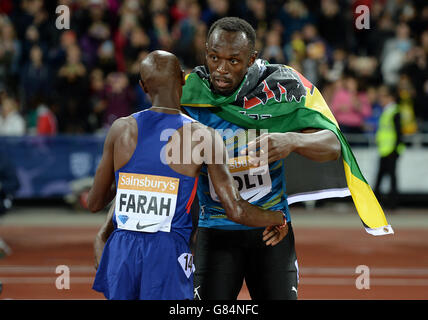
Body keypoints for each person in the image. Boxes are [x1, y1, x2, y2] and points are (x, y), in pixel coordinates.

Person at [87, 50, 285, 300]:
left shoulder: (120, 129)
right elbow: (235, 209)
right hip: (166, 254)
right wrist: (278, 217)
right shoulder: (203, 136)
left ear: (142, 86)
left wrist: (130, 187)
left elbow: (94, 202)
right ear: (183, 78)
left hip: (121, 250)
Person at [181, 17, 342, 300]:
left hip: (271, 232)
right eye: (214, 57)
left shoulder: (279, 90)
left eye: (234, 60)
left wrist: (292, 140)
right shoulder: (190, 94)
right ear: (206, 51)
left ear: (252, 58)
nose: (221, 69)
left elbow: (333, 145)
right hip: (215, 232)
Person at [374, 85, 405, 209]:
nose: (381, 99)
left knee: (389, 177)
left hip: (390, 150)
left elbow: (399, 133)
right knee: (383, 176)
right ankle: (383, 202)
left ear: (390, 98)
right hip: (385, 149)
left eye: (383, 96)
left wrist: (396, 149)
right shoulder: (387, 111)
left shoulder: (394, 112)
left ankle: (392, 203)